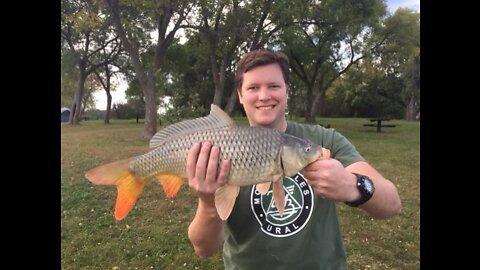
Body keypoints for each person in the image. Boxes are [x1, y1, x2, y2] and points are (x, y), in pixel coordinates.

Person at [186, 48, 401, 269]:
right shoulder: (219, 147)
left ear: (287, 91)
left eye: (274, 86)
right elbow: (204, 249)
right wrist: (207, 201)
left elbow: (392, 204)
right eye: (253, 87)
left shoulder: (323, 140)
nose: (264, 96)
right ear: (240, 95)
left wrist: (353, 185)